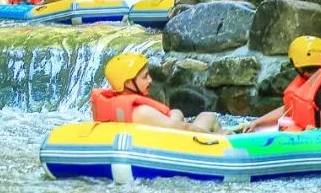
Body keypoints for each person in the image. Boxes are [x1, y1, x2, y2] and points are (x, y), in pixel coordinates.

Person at [90, 52, 223, 133]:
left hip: (151, 139)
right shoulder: (141, 112)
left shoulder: (116, 105)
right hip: (175, 148)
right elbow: (185, 130)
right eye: (145, 76)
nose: (150, 80)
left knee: (177, 113)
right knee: (208, 116)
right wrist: (218, 137)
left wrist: (176, 115)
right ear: (128, 82)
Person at [242, 36, 321, 132]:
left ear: (297, 64)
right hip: (299, 130)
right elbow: (288, 108)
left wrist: (314, 132)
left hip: (312, 137)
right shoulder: (307, 81)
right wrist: (256, 122)